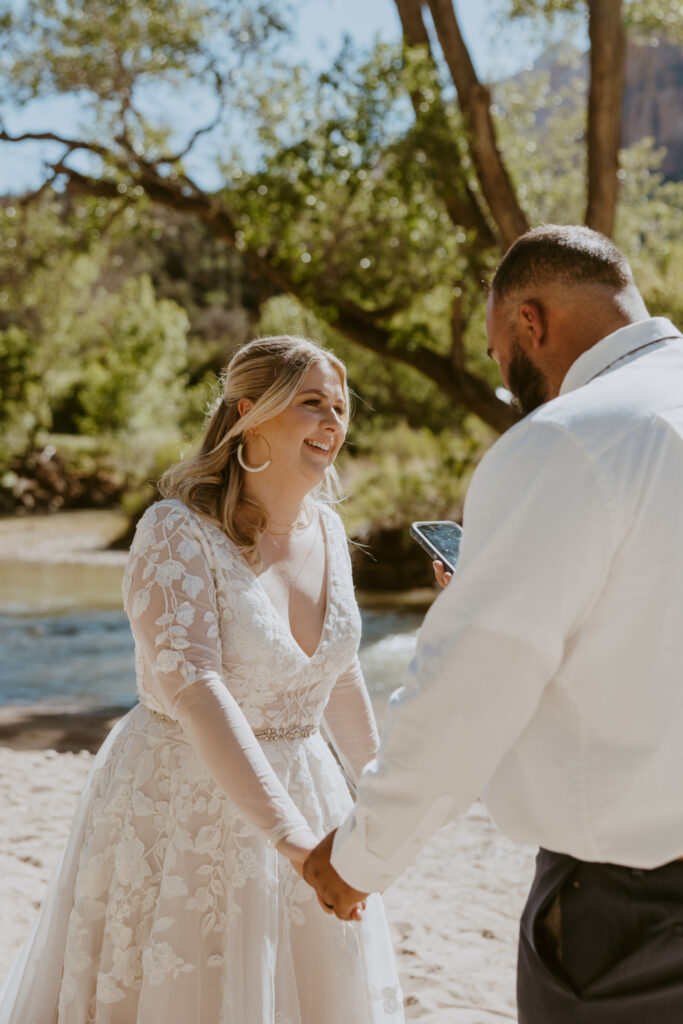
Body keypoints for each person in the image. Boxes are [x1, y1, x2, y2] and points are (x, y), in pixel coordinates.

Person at [304, 225, 683, 1023]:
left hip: (633, 918)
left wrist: (360, 859)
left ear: (528, 325)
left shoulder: (563, 442)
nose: (506, 381)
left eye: (494, 355)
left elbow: (468, 689)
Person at [0, 335, 403, 1023]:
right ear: (249, 412)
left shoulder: (330, 533)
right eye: (312, 404)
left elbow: (335, 678)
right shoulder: (174, 531)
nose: (333, 422)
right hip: (184, 804)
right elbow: (197, 693)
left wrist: (386, 801)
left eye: (340, 408)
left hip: (313, 795)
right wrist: (293, 841)